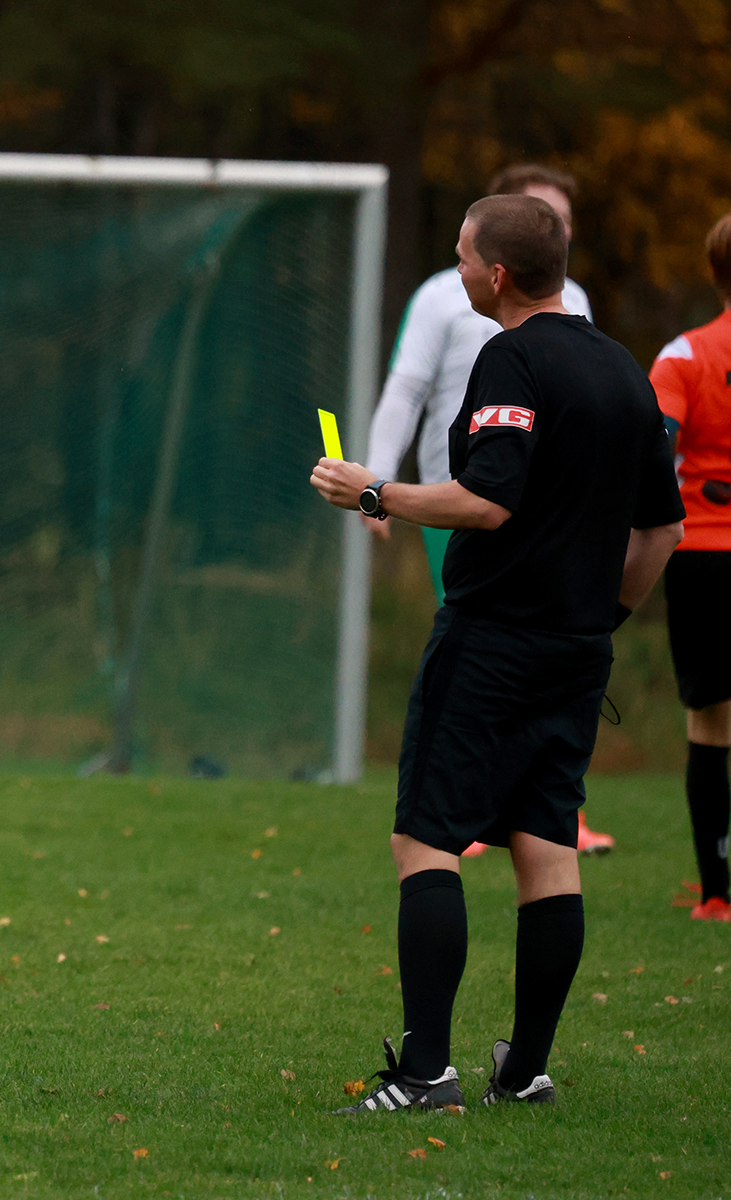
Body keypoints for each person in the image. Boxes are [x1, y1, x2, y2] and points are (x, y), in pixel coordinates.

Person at [311, 193, 684, 1111]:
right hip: (576, 651)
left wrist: (376, 493)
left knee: (427, 840)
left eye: (464, 256)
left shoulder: (509, 356)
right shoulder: (622, 368)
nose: (460, 269)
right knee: (548, 849)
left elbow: (488, 501)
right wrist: (606, 617)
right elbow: (662, 526)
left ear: (500, 275)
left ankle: (428, 1071)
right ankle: (525, 1072)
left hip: (492, 640)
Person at [367, 164, 615, 857]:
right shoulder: (445, 297)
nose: (554, 228)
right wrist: (378, 481)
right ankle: (469, 812)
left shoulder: (578, 307)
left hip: (555, 519)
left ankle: (550, 812)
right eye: (542, 213)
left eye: (562, 218)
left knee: (545, 657)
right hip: (463, 500)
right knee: (483, 651)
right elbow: (407, 387)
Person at [648, 213, 731, 923]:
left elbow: (653, 451)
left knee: (709, 720)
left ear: (713, 272)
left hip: (703, 551)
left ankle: (716, 893)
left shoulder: (683, 356)